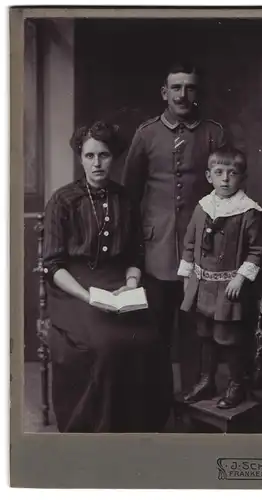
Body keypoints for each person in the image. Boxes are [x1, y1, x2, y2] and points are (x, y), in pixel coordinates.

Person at [43, 121, 172, 433]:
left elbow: (134, 255)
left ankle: (139, 429)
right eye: (89, 156)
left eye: (104, 155)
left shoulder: (125, 199)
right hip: (73, 288)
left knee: (148, 340)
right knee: (106, 344)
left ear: (113, 157)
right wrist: (89, 297)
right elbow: (53, 264)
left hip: (118, 282)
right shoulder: (64, 200)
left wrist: (130, 285)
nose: (97, 163)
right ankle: (99, 429)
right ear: (80, 158)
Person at [122, 63, 226, 380]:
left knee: (196, 330)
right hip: (157, 250)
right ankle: (156, 403)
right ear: (165, 93)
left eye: (189, 87)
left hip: (201, 251)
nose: (183, 94)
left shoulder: (213, 133)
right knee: (156, 332)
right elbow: (130, 193)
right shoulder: (146, 134)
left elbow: (226, 192)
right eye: (176, 87)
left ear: (197, 93)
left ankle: (195, 398)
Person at [177, 145, 262, 409]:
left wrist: (240, 279)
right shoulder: (203, 207)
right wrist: (187, 278)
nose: (225, 179)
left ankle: (236, 383)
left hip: (229, 288)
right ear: (209, 176)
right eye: (219, 172)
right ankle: (207, 381)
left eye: (233, 173)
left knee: (227, 337)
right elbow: (190, 244)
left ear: (242, 177)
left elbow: (257, 250)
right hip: (203, 285)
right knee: (205, 334)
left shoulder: (248, 211)